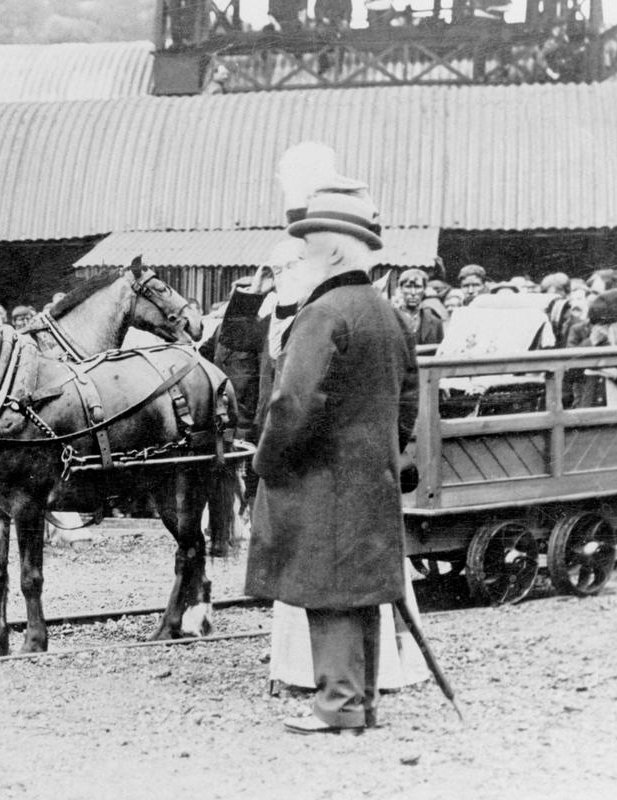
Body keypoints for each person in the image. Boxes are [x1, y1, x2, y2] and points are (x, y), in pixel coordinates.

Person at [247, 191, 419, 734]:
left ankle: (338, 705)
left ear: (338, 256)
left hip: (323, 480)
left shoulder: (322, 315)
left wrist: (267, 462)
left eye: (307, 255)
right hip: (373, 476)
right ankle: (361, 702)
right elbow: (409, 398)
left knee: (330, 594)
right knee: (363, 591)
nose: (299, 266)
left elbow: (293, 403)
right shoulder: (389, 315)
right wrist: (383, 447)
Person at [396, 268, 444, 345]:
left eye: (418, 287)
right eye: (408, 287)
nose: (413, 292)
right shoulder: (390, 320)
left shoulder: (436, 323)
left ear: (424, 289)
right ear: (401, 289)